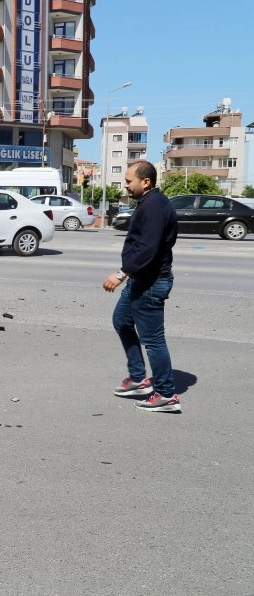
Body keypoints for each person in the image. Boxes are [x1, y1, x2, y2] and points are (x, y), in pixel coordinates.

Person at [103, 160, 180, 412]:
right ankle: (138, 378)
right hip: (142, 279)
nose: (125, 185)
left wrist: (121, 273)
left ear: (145, 182)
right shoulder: (150, 203)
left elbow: (148, 247)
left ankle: (167, 395)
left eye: (128, 181)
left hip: (150, 281)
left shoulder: (154, 206)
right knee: (121, 321)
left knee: (154, 340)